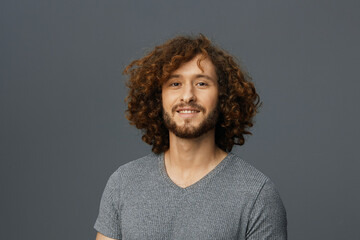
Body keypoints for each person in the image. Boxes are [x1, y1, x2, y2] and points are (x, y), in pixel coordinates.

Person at [94, 34, 287, 240]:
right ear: (158, 97)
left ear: (223, 97)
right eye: (175, 84)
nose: (187, 96)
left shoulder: (256, 195)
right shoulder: (123, 184)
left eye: (202, 83)